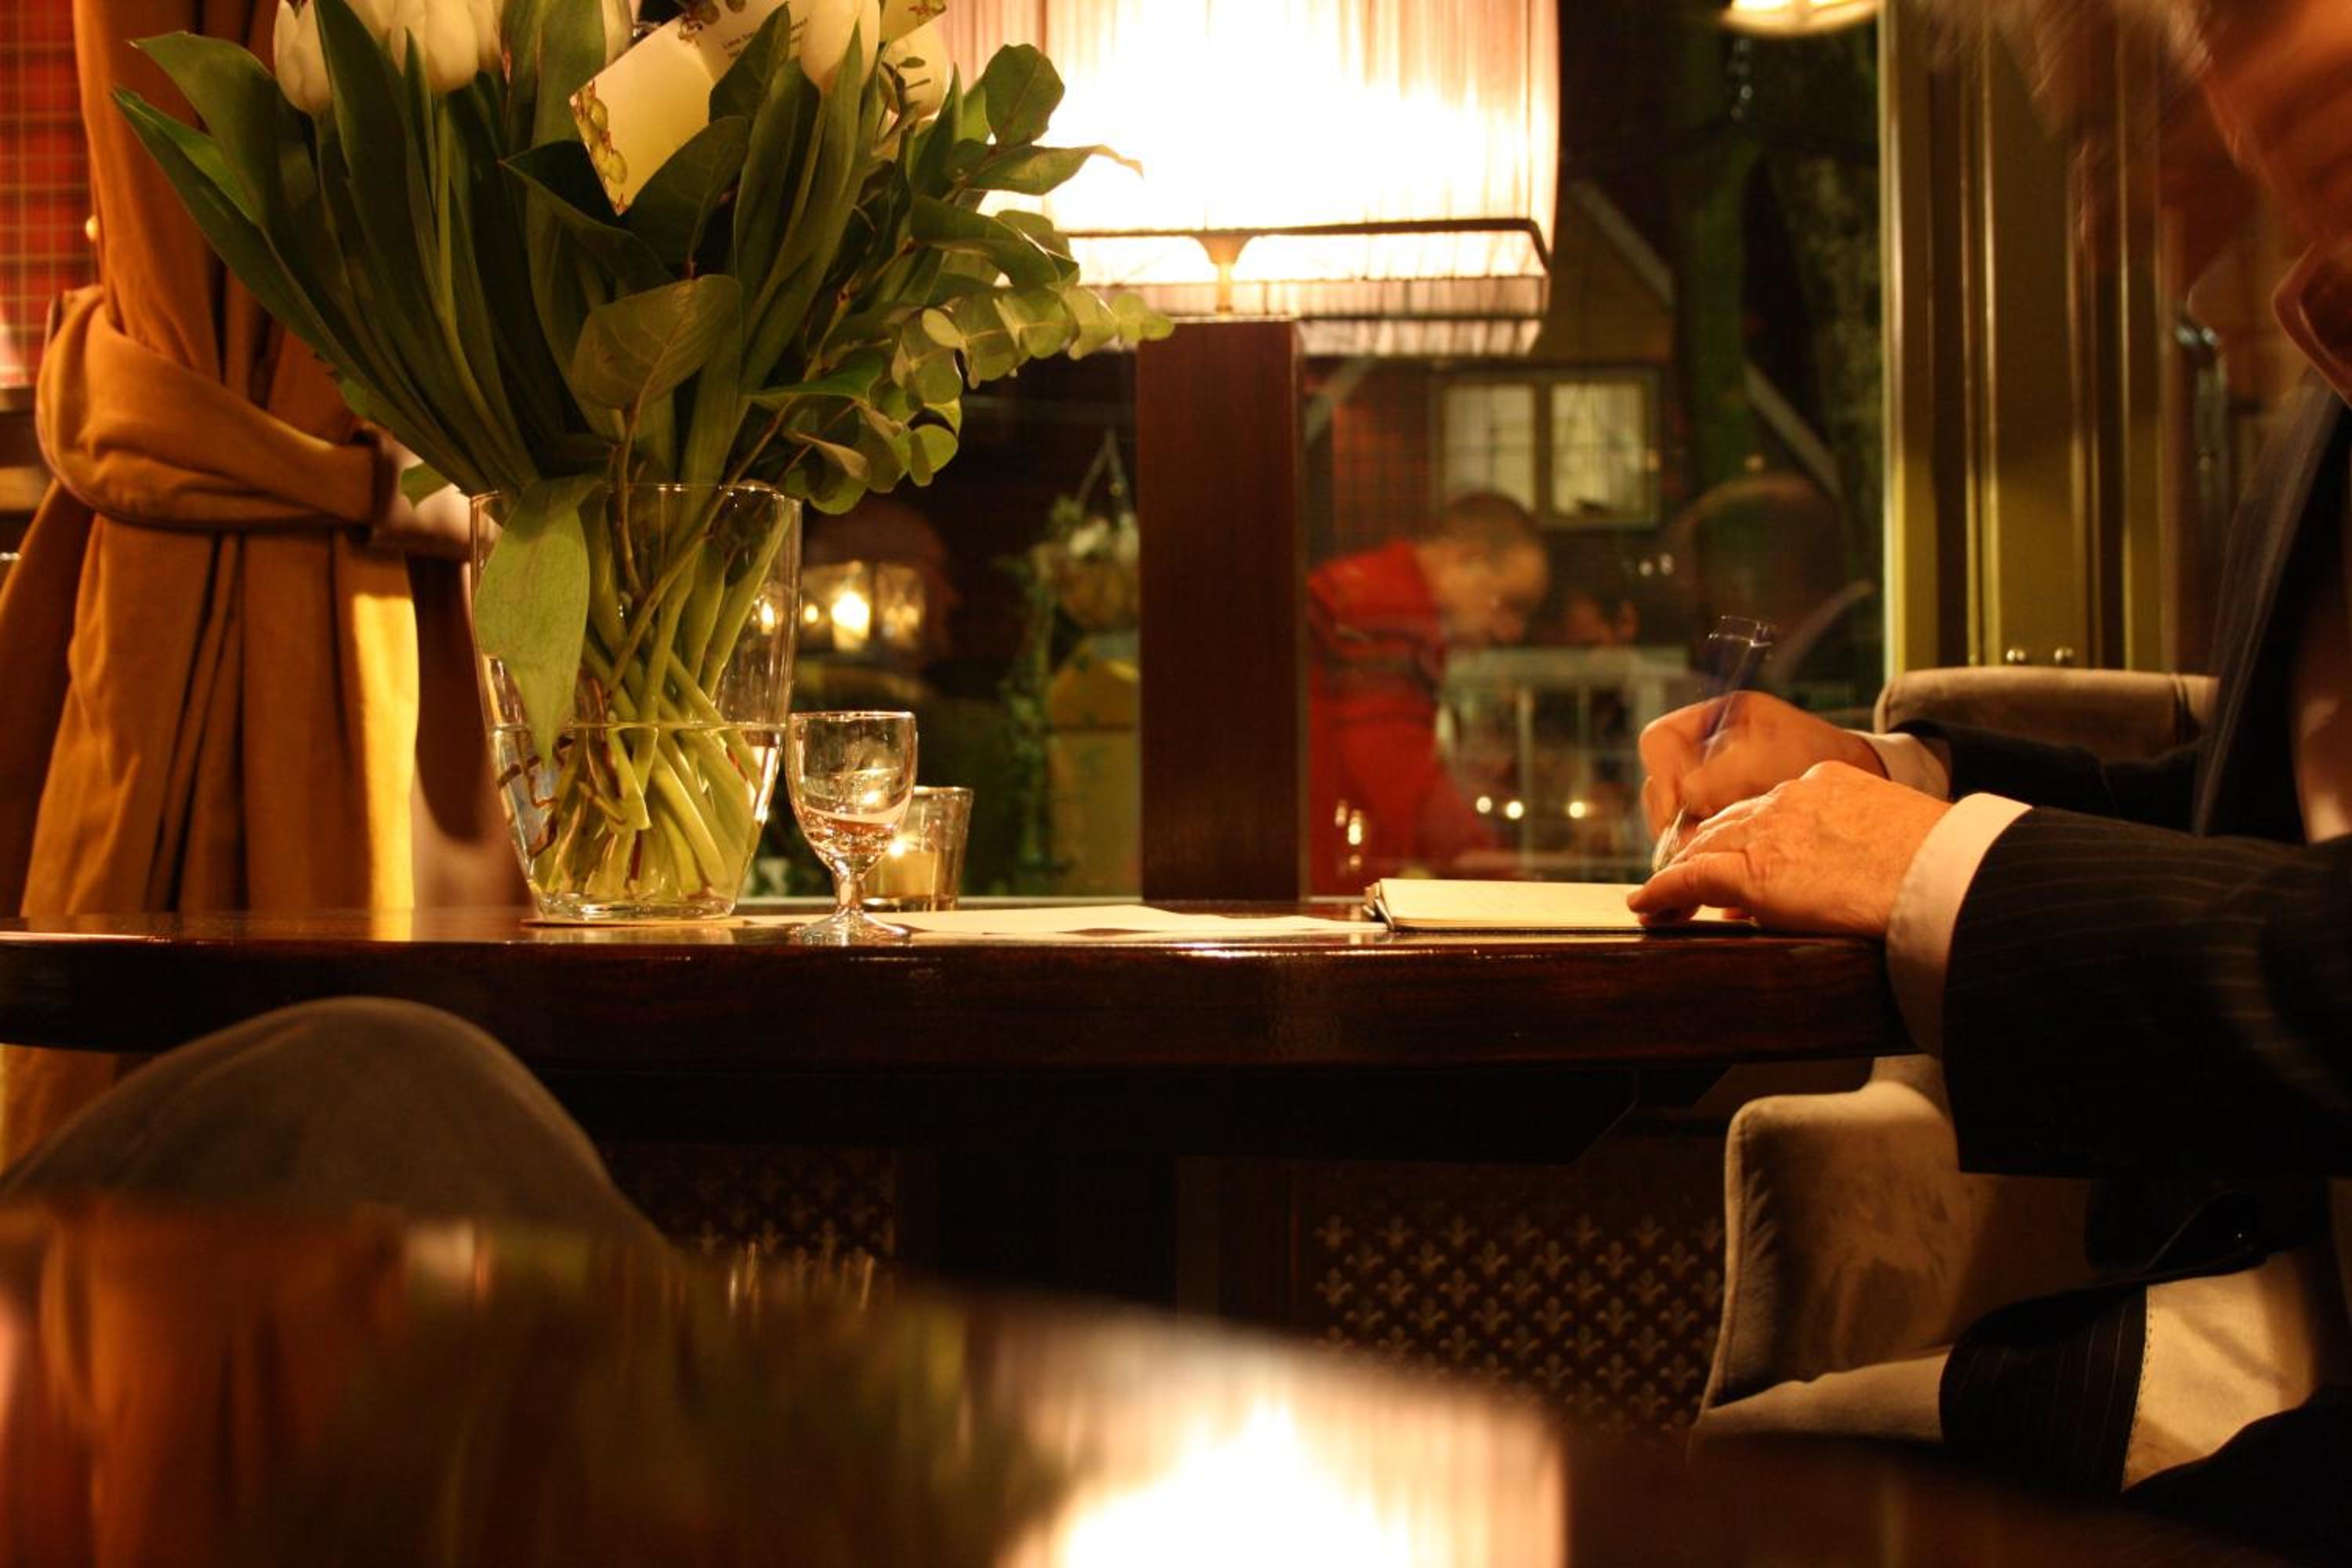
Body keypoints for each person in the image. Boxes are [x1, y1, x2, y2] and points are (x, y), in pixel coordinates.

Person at [1632, 0, 2352, 1528]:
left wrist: (1937, 872)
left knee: (1728, 1496)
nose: (2094, 225)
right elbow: (2244, 831)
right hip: (2267, 1296)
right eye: (2227, 40)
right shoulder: (2325, 392)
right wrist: (1889, 781)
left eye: (2115, 140)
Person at [1307, 492, 1551, 894]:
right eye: (1509, 604)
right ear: (1465, 559)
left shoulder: (1373, 591)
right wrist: (1511, 891)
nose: (1512, 632)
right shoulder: (1389, 608)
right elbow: (1401, 781)